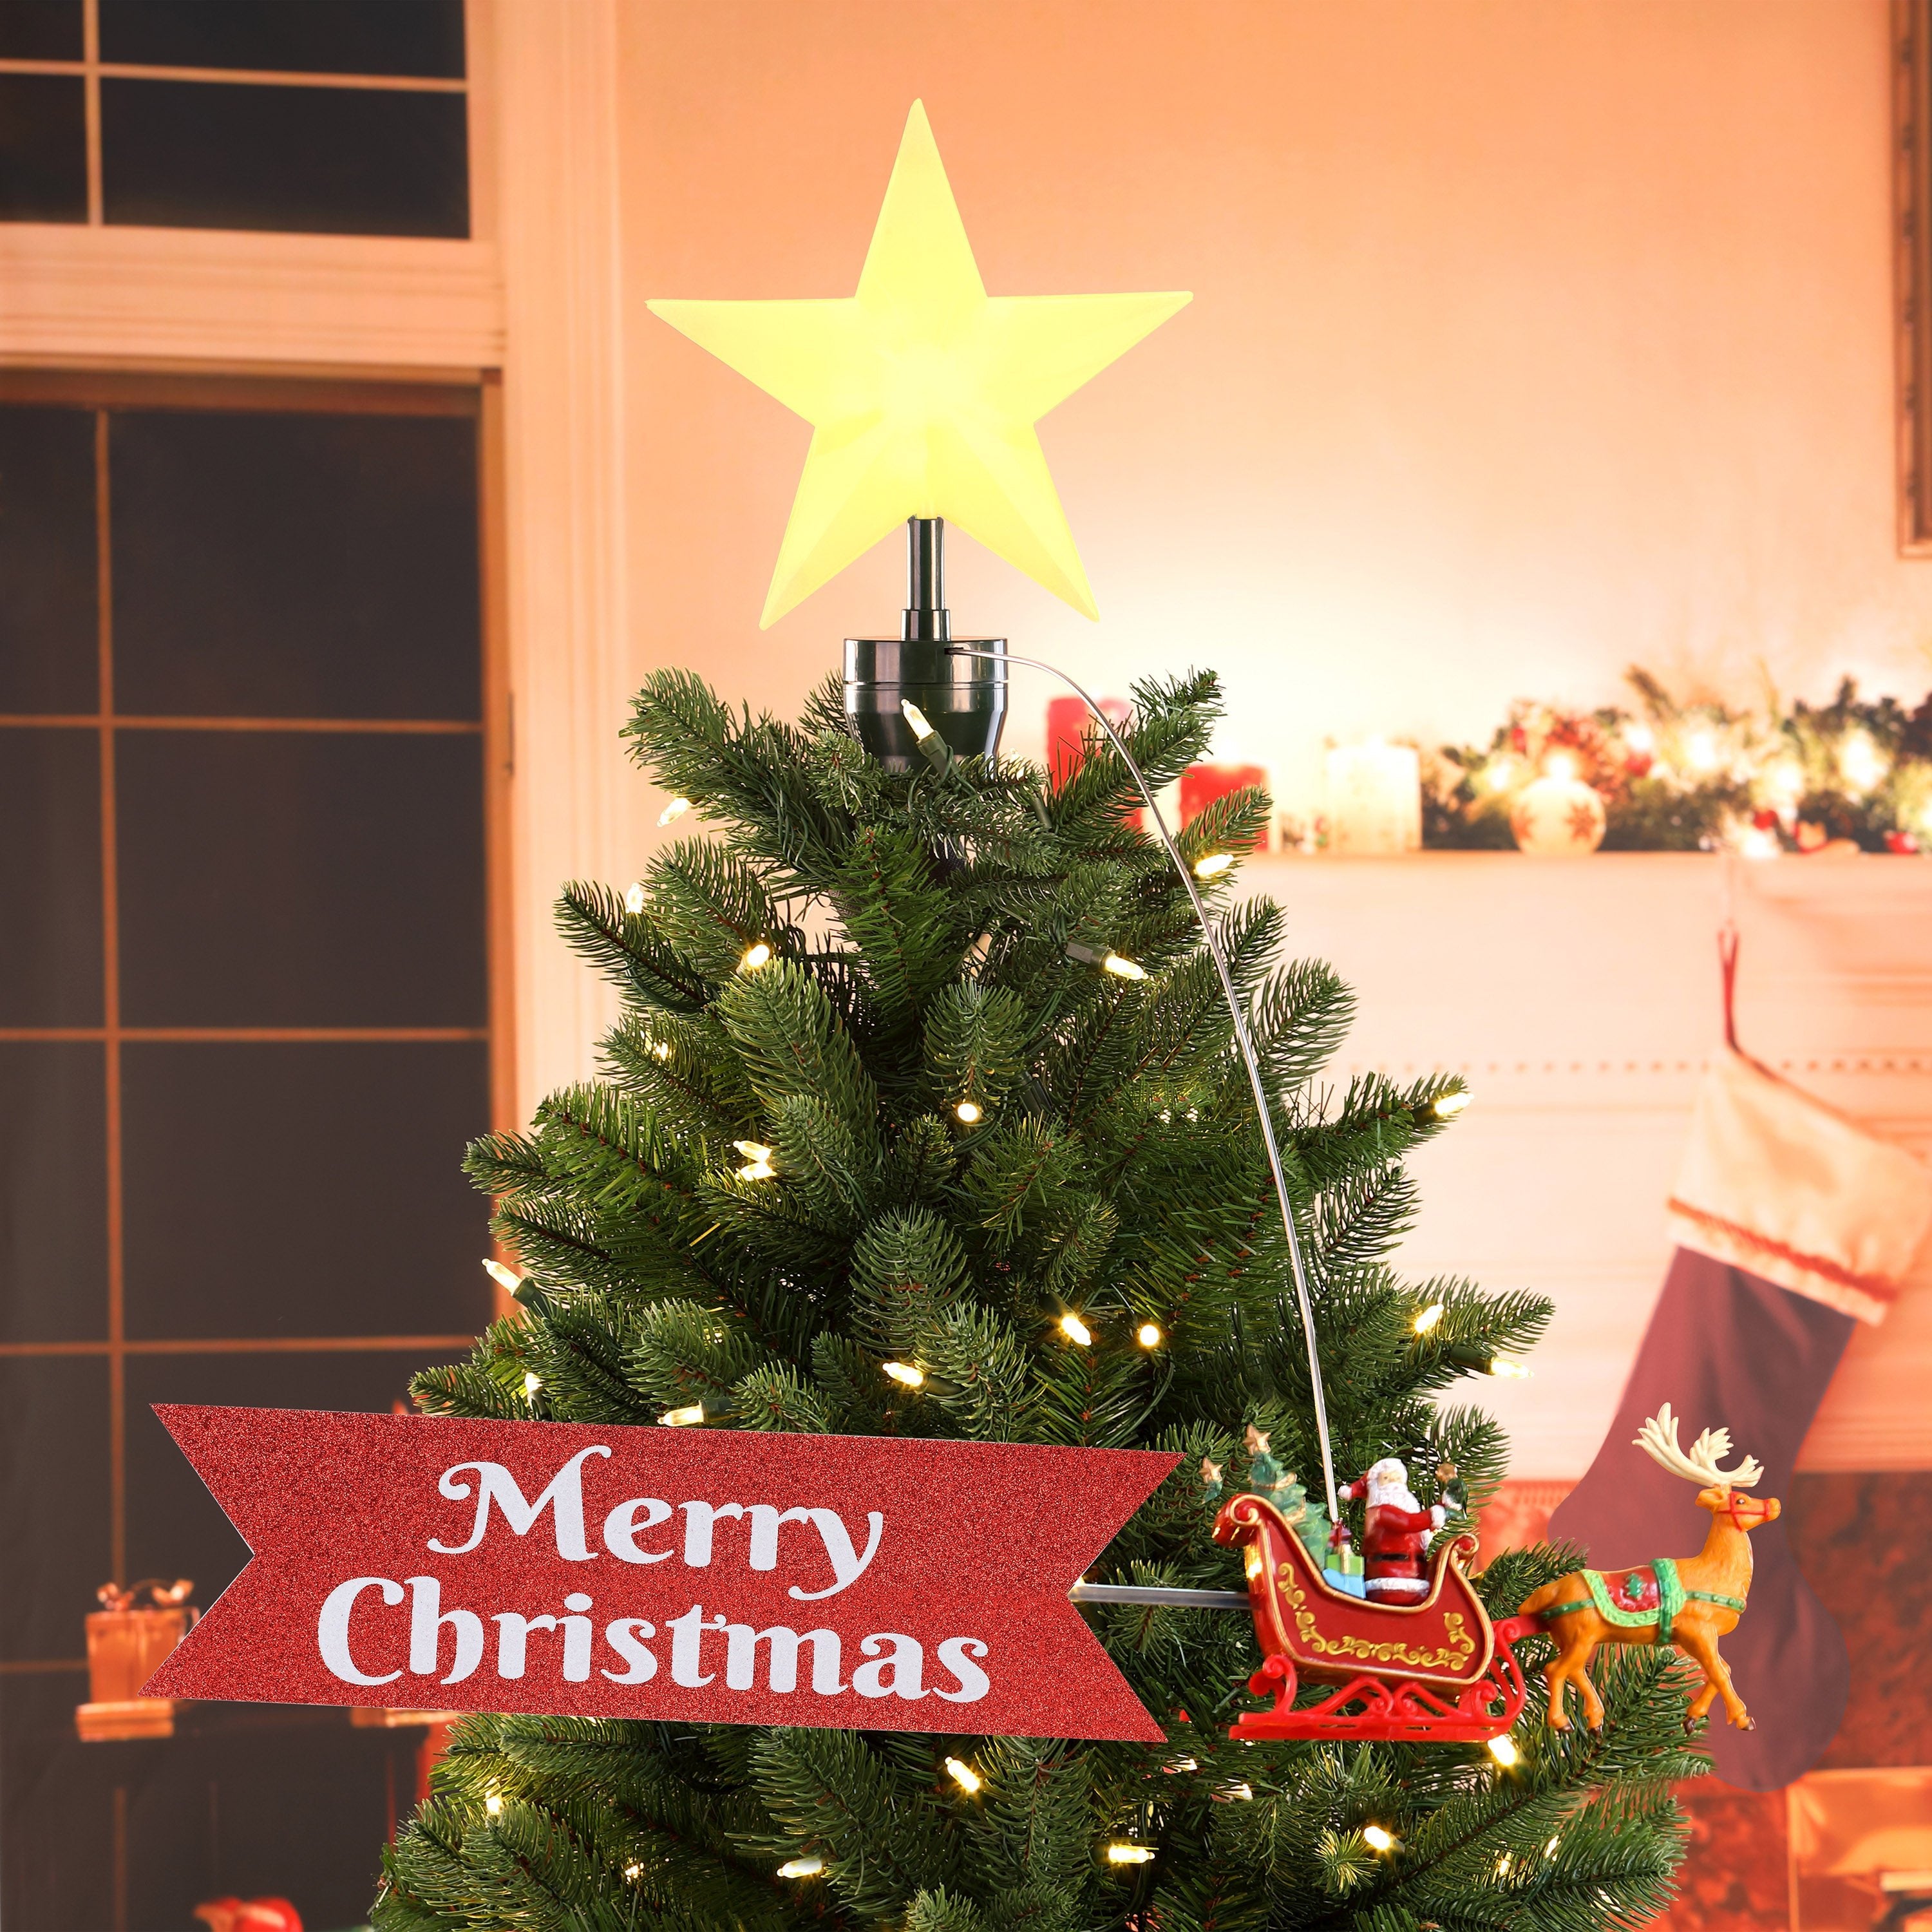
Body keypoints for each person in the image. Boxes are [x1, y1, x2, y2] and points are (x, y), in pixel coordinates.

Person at [1337, 1457, 1446, 1604]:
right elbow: (1407, 1523)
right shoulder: (1380, 1512)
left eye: (1397, 1478)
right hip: (1390, 1578)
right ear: (1376, 1485)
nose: (1394, 1483)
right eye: (1387, 1478)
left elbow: (1419, 1530)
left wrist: (1443, 1505)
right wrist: (1432, 1515)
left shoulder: (1406, 1506)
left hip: (1415, 1577)